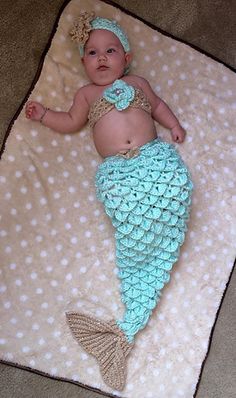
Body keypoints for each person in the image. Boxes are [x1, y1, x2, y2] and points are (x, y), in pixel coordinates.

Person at [25, 12, 193, 391]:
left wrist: (175, 125)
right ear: (83, 62)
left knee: (177, 189)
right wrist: (45, 115)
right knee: (129, 219)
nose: (101, 58)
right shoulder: (86, 95)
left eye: (110, 50)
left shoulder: (137, 83)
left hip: (154, 159)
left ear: (126, 56)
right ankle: (120, 329)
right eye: (91, 52)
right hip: (117, 171)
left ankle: (127, 321)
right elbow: (71, 121)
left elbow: (160, 106)